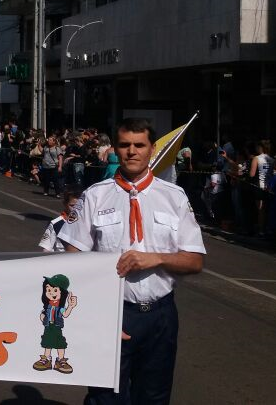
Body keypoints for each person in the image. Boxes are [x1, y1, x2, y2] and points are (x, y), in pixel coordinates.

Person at [59, 118, 205, 404]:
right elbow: (72, 264)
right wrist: (99, 317)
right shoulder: (95, 196)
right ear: (115, 149)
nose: (132, 151)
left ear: (152, 149)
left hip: (160, 317)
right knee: (105, 397)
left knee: (154, 397)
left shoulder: (174, 197)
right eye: (125, 145)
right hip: (111, 313)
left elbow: (194, 261)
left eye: (139, 145)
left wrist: (156, 258)